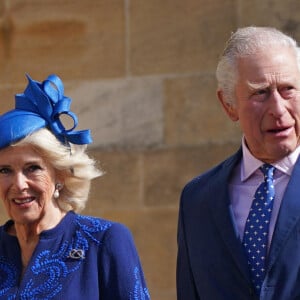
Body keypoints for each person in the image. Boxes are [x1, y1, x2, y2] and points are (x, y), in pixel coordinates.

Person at [0, 74, 150, 299]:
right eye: (5, 171)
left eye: (33, 168)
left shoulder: (103, 240)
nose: (19, 184)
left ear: (59, 174)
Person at [177, 26, 300, 300]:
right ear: (229, 104)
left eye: (288, 89)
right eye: (261, 93)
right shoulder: (198, 200)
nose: (278, 109)